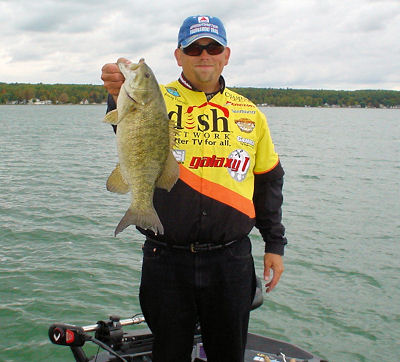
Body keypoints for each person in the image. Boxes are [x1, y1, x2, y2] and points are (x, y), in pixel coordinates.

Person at [101, 15, 287, 362]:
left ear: (226, 55)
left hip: (231, 261)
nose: (204, 54)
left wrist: (274, 243)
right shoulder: (159, 96)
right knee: (168, 354)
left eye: (213, 47)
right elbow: (130, 131)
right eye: (194, 47)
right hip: (165, 259)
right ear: (179, 55)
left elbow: (268, 182)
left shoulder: (251, 114)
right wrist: (115, 95)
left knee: (228, 354)